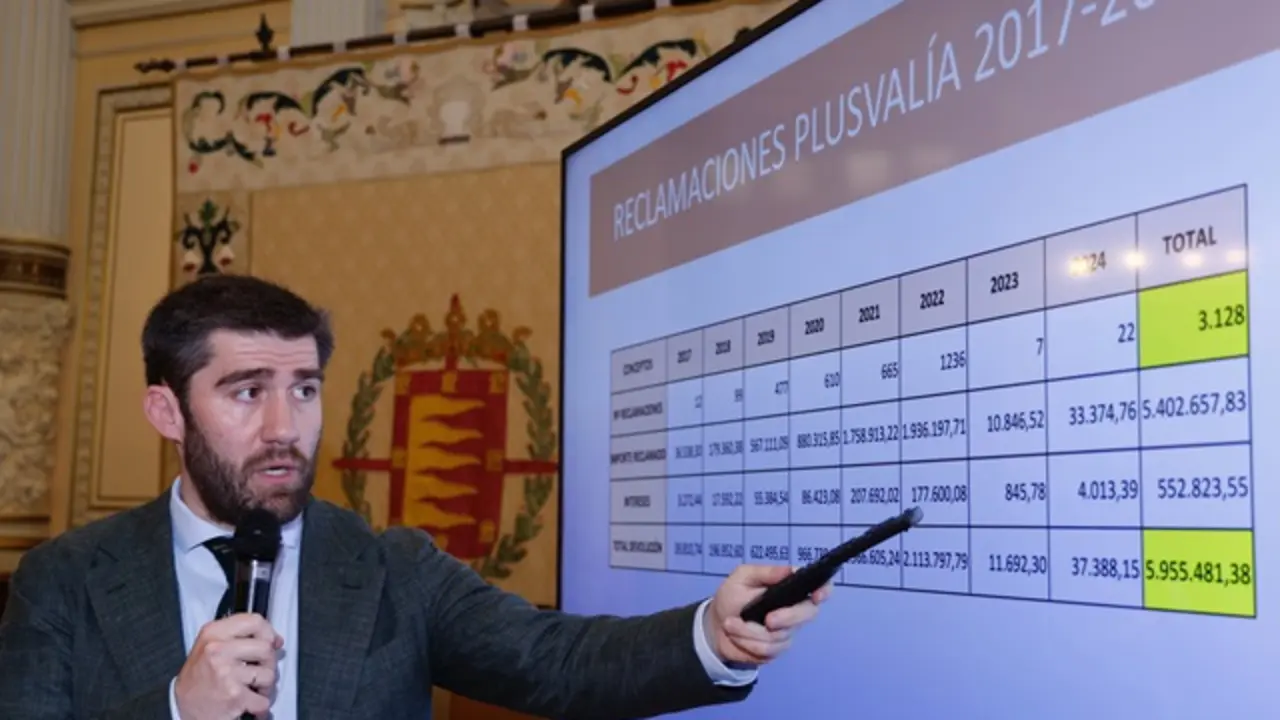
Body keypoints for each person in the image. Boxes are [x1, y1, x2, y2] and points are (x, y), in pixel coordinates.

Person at [0, 274, 830, 719]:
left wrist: (712, 633)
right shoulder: (63, 581)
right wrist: (178, 712)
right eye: (248, 392)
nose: (286, 427)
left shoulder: (393, 568)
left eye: (305, 389)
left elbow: (559, 661)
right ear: (166, 411)